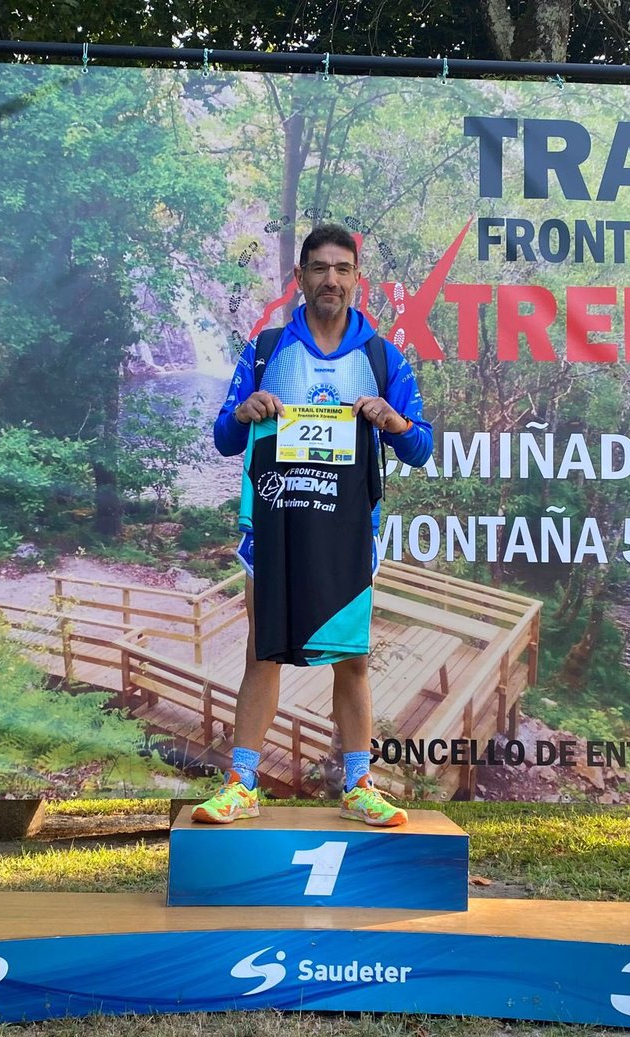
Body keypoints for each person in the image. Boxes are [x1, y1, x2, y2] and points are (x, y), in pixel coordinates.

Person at [193, 224, 433, 827]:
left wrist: (394, 422)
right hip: (273, 530)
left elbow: (421, 447)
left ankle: (358, 786)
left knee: (350, 658)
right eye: (319, 268)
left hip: (347, 533)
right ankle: (242, 783)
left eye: (342, 269)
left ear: (356, 279)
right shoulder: (268, 351)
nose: (331, 279)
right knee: (262, 649)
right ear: (299, 277)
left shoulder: (382, 358)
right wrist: (245, 411)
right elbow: (224, 436)